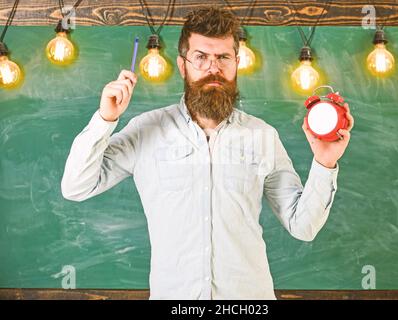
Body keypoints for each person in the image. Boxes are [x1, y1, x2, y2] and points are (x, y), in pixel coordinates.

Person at [61, 6, 354, 300]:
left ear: (236, 62)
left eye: (223, 57)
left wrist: (325, 162)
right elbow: (76, 186)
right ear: (183, 65)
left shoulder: (262, 135)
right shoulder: (145, 131)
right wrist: (105, 119)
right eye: (201, 57)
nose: (213, 68)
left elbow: (303, 226)